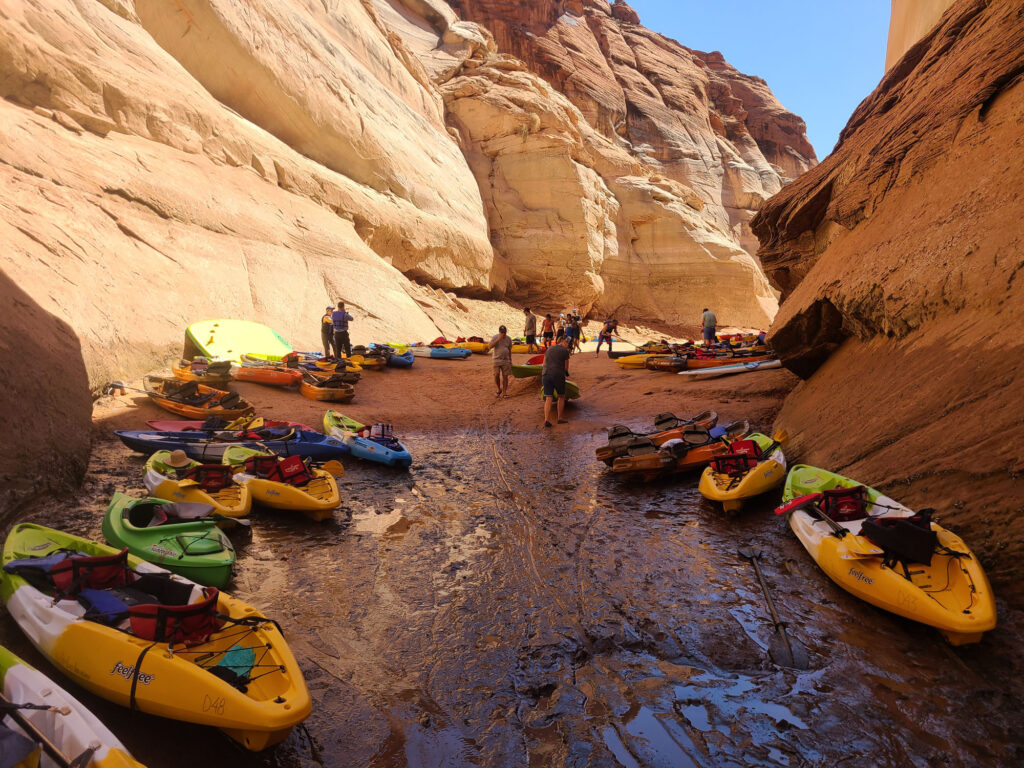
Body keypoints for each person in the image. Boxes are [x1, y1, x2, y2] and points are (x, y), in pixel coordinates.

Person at [541, 336, 571, 427]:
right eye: (567, 343)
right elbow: (566, 368)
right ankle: (560, 418)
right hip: (558, 375)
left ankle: (546, 419)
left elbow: (544, 364)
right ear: (563, 342)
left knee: (548, 398)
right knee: (561, 396)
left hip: (546, 374)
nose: (567, 345)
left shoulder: (549, 348)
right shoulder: (565, 352)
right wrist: (566, 374)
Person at [488, 325, 514, 398]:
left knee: (505, 376)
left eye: (504, 332)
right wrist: (498, 339)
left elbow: (509, 350)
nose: (503, 334)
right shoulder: (495, 337)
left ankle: (505, 392)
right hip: (496, 359)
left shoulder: (508, 339)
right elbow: (489, 347)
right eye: (502, 332)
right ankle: (498, 389)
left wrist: (510, 360)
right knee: (496, 375)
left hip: (506, 360)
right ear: (499, 332)